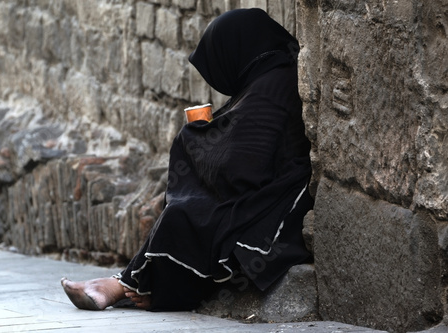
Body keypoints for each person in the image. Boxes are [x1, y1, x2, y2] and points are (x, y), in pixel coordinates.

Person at [61, 7, 313, 312]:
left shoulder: (271, 86)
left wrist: (193, 137)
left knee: (185, 216)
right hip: (267, 189)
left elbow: (241, 166)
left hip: (274, 202)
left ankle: (124, 287)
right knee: (184, 212)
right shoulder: (268, 77)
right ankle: (123, 285)